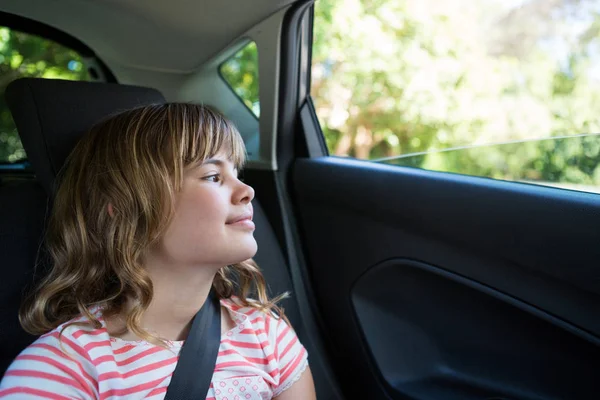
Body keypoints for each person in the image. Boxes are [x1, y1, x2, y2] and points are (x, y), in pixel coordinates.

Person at [0, 103, 316, 399]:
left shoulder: (265, 335)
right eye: (212, 176)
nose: (247, 191)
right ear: (128, 211)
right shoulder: (63, 371)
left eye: (237, 173)